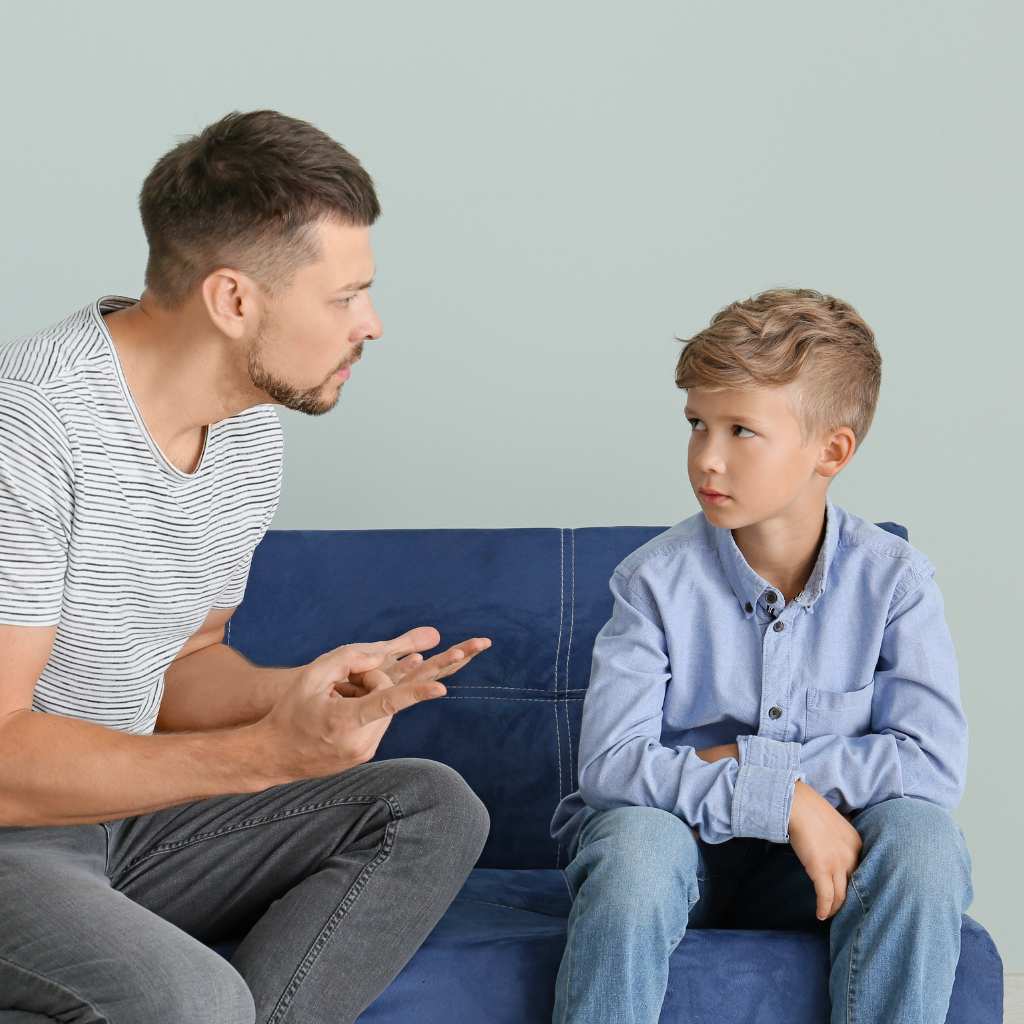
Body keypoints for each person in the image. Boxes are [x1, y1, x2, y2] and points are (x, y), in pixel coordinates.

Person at [0, 109, 492, 1024]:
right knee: (196, 1001)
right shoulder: (30, 428)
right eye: (345, 297)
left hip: (124, 812)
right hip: (12, 830)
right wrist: (263, 756)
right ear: (234, 300)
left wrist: (297, 698)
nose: (372, 325)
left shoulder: (248, 429)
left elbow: (184, 662)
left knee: (429, 807)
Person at [548, 288, 974, 1023]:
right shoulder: (653, 582)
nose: (706, 458)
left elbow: (930, 765)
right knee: (636, 848)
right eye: (696, 426)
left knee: (924, 841)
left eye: (741, 430)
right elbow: (612, 767)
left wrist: (746, 768)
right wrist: (781, 798)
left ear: (831, 450)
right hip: (680, 854)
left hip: (825, 865)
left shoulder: (897, 583)